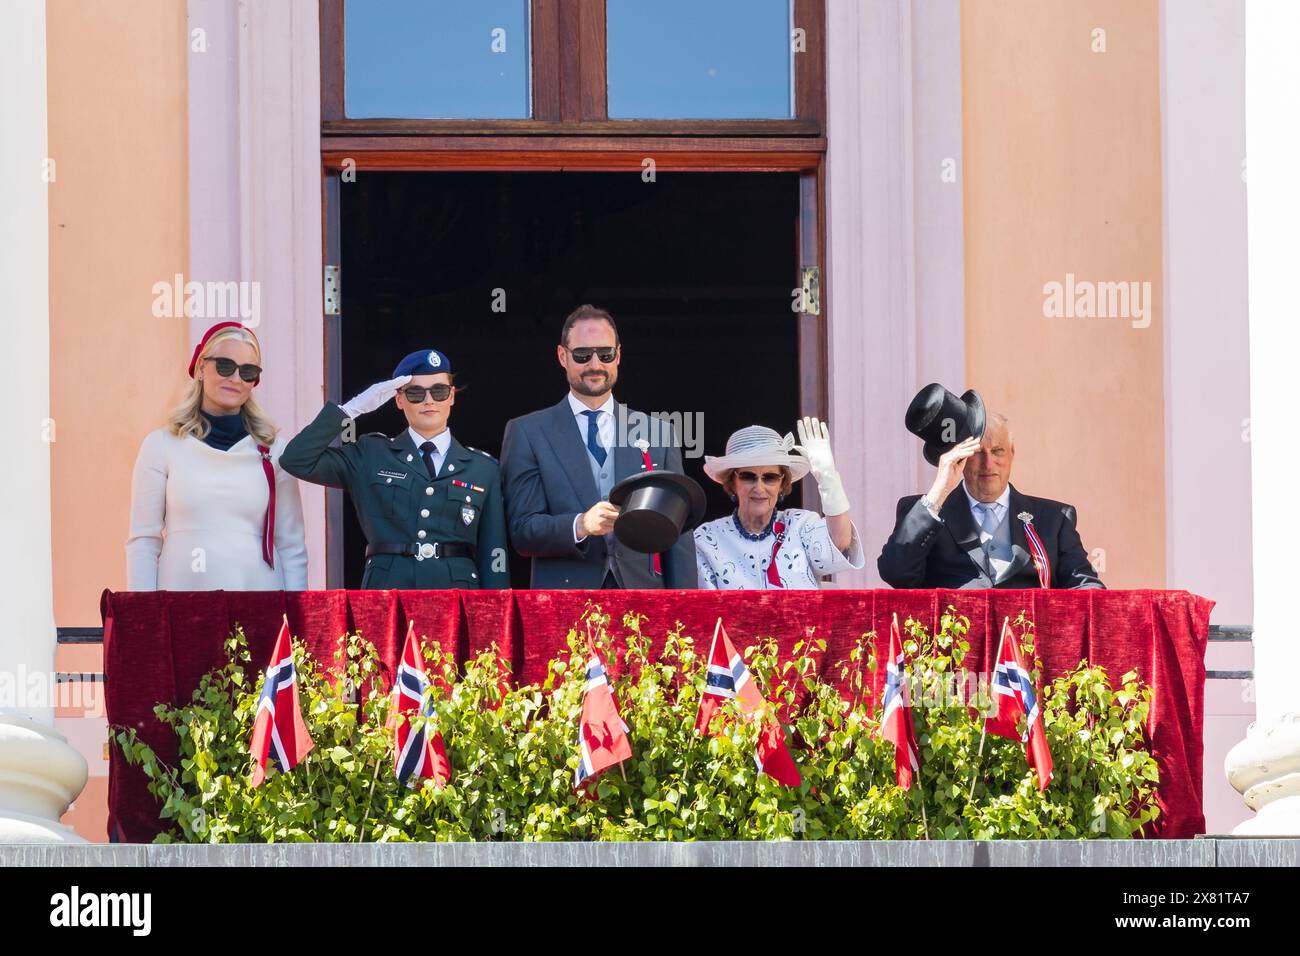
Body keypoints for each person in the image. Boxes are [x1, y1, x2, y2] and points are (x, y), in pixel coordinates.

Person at [500, 304, 697, 588]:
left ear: (618, 355)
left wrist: (684, 610)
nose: (595, 365)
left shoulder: (658, 432)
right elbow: (522, 531)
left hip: (643, 598)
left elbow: (677, 535)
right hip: (564, 601)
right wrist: (579, 525)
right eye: (582, 355)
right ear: (562, 357)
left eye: (605, 354)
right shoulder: (527, 431)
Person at [279, 349, 508, 589]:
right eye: (416, 393)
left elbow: (494, 553)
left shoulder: (483, 468)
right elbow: (296, 459)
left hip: (458, 596)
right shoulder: (371, 454)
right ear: (399, 399)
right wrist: (351, 409)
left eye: (439, 391)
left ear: (451, 396)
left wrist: (493, 617)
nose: (429, 400)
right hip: (387, 594)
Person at [126, 321, 307, 590]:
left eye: (248, 372)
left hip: (258, 601)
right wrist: (143, 618)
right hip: (181, 599)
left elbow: (290, 544)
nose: (235, 378)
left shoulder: (274, 450)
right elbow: (144, 540)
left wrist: (296, 621)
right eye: (224, 366)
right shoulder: (161, 445)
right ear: (201, 367)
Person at [878, 412, 1104, 589]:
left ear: (1012, 453)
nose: (988, 464)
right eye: (977, 453)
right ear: (961, 458)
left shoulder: (1054, 519)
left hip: (1027, 644)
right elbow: (895, 573)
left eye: (997, 451)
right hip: (953, 643)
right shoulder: (926, 511)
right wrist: (938, 492)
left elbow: (1086, 586)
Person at [693, 419, 864, 589]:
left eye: (770, 477)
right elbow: (704, 610)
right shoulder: (707, 539)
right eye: (748, 476)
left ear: (782, 484)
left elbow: (840, 541)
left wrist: (827, 476)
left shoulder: (801, 524)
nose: (759, 488)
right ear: (732, 482)